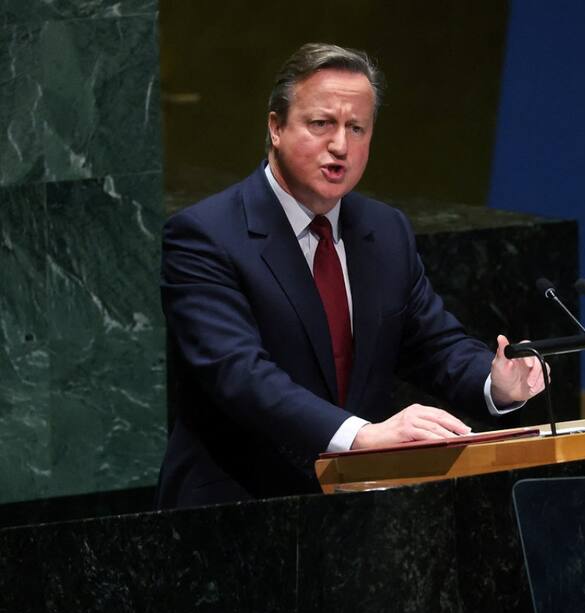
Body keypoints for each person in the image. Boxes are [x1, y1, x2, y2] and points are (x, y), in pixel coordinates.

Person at [156, 43, 546, 508]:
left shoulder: (385, 231)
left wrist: (495, 381)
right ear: (275, 127)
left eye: (356, 128)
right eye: (321, 124)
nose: (341, 146)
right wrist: (361, 435)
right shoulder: (205, 235)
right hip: (238, 507)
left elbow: (434, 344)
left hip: (357, 511)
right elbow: (239, 375)